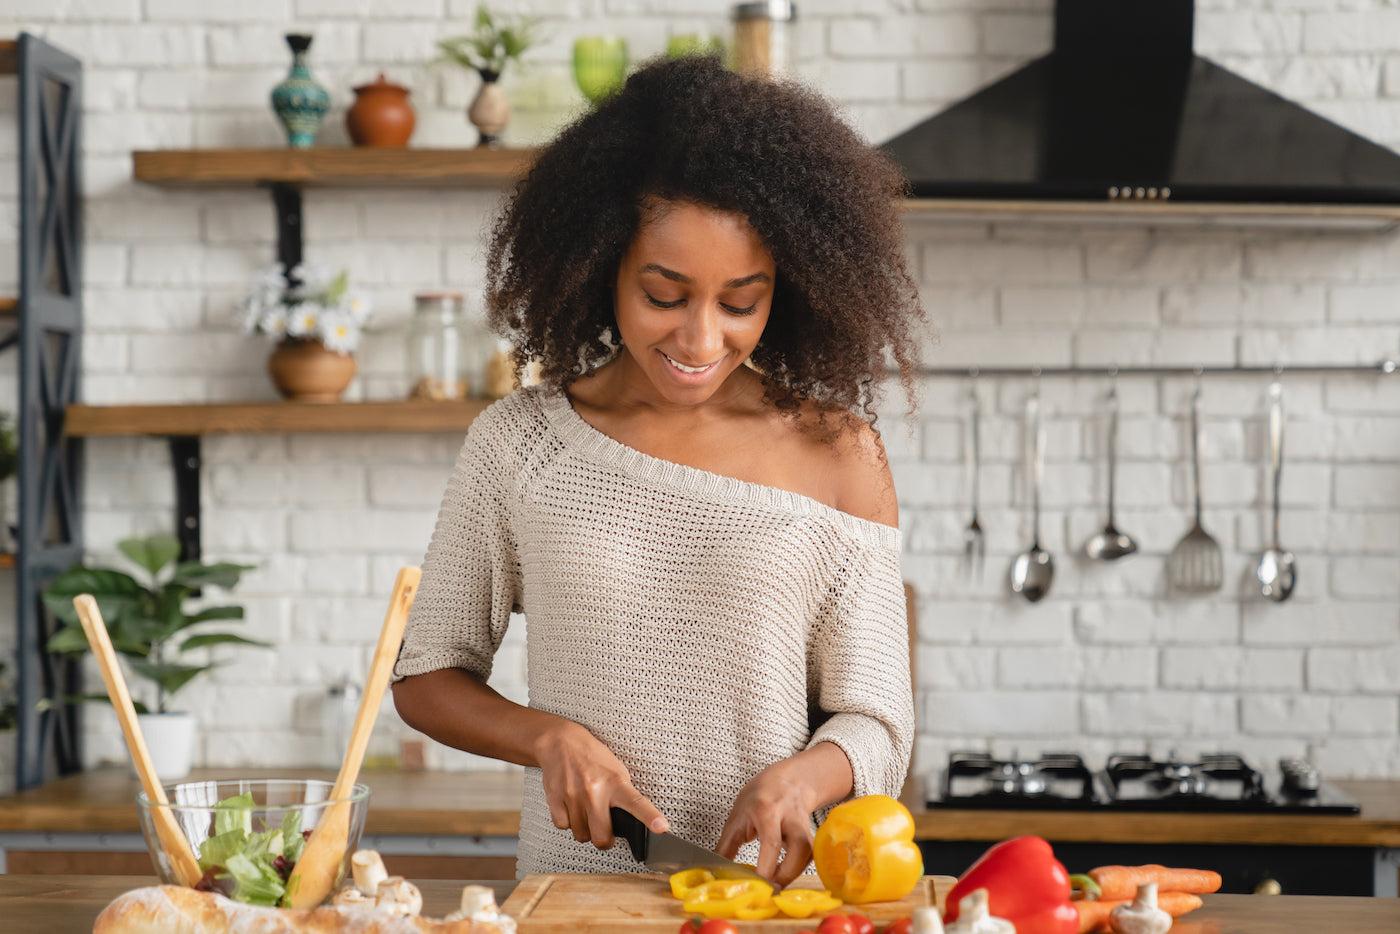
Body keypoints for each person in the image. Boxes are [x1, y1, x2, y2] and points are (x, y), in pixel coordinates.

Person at [392, 54, 923, 886]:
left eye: (741, 301)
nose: (701, 341)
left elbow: (878, 722)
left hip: (765, 901)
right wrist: (546, 738)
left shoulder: (839, 452)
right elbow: (426, 677)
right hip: (576, 897)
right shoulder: (521, 444)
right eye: (665, 295)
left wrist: (803, 779)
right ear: (599, 262)